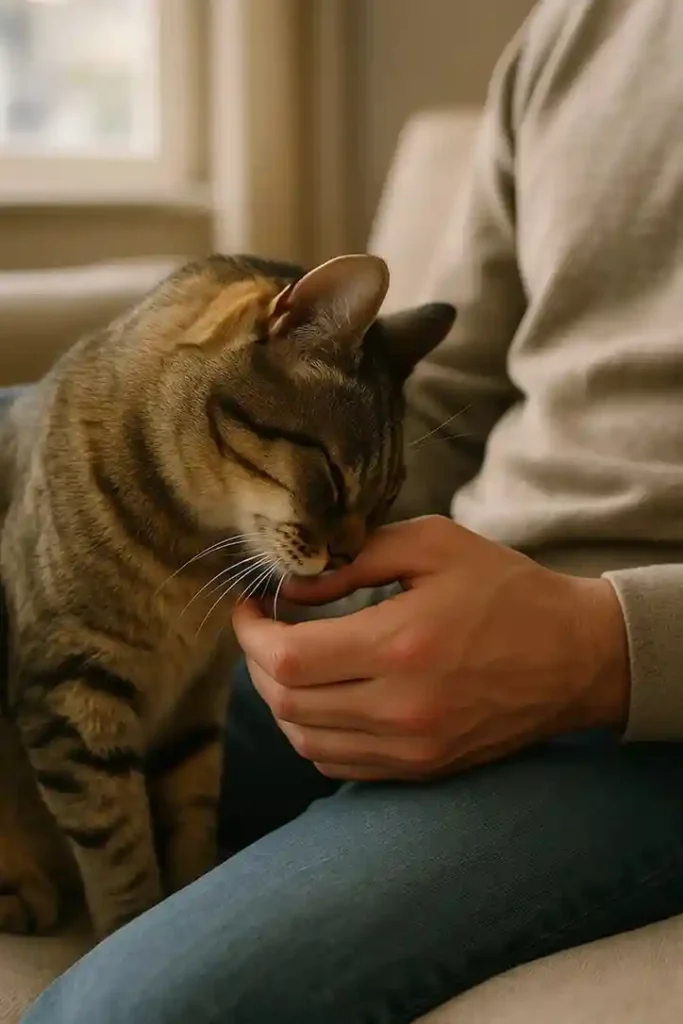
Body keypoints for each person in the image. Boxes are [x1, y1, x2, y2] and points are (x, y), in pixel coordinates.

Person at [22, 0, 683, 1020]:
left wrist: (603, 650)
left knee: (131, 1011)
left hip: (637, 718)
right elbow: (443, 394)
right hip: (432, 600)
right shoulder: (585, 23)